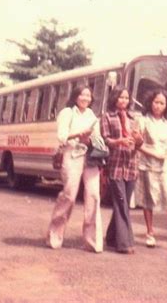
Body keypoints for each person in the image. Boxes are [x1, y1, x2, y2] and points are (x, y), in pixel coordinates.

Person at [46, 85, 103, 253]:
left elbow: (97, 137)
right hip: (72, 156)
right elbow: (62, 136)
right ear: (76, 96)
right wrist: (79, 134)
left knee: (93, 195)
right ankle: (54, 235)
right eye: (82, 95)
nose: (85, 98)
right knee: (69, 195)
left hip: (90, 158)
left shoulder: (92, 115)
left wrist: (91, 139)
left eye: (88, 95)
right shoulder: (67, 113)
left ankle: (92, 241)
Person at [135, 89, 167, 250]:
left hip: (164, 165)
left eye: (162, 103)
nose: (158, 106)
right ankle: (150, 233)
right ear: (150, 103)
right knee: (149, 199)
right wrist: (153, 153)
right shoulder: (142, 121)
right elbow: (137, 144)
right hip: (148, 165)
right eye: (156, 102)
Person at [100, 86, 142, 254]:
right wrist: (119, 141)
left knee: (121, 203)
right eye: (121, 98)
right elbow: (104, 139)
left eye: (126, 98)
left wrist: (138, 139)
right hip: (116, 165)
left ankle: (111, 238)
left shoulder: (134, 118)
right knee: (122, 202)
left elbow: (139, 143)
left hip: (131, 165)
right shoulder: (107, 117)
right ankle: (124, 243)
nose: (124, 101)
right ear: (115, 99)